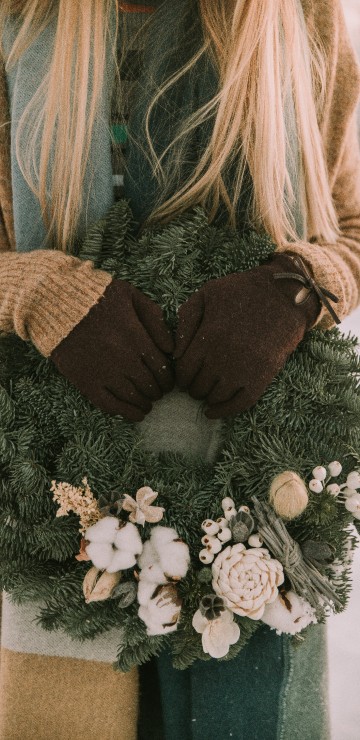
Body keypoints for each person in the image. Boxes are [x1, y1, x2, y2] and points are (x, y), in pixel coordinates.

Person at [0, 0, 359, 738]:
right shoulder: (18, 21)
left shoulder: (297, 20)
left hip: (262, 512)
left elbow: (351, 220)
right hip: (62, 504)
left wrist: (297, 287)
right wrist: (34, 292)